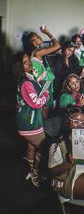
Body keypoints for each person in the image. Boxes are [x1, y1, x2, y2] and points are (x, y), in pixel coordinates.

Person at [13, 52, 49, 187]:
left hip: (25, 121)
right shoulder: (26, 83)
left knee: (31, 147)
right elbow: (37, 102)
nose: (30, 63)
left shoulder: (27, 78)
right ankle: (35, 172)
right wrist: (46, 94)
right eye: (25, 62)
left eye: (29, 60)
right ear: (19, 67)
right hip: (30, 123)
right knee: (43, 148)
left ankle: (31, 171)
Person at [26, 26, 61, 119]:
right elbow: (57, 46)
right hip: (44, 84)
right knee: (45, 108)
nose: (40, 37)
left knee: (44, 108)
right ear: (33, 41)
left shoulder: (35, 52)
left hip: (41, 83)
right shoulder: (37, 52)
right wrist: (47, 32)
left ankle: (43, 128)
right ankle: (43, 130)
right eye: (37, 37)